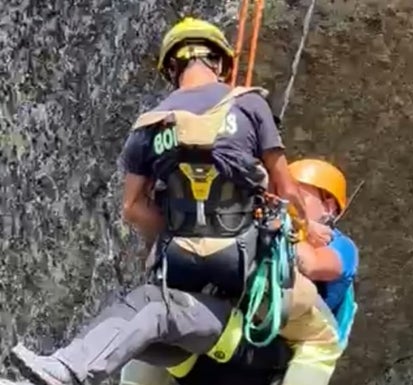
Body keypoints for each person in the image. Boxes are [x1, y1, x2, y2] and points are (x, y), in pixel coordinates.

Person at [10, 18, 338, 385]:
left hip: (182, 266)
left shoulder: (147, 126)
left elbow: (132, 207)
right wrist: (306, 229)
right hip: (244, 270)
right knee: (323, 338)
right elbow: (285, 188)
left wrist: (179, 234)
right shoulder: (249, 104)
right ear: (218, 62)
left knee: (152, 318)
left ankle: (75, 369)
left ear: (171, 67)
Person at [119, 159, 359, 385]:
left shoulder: (339, 245)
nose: (285, 197)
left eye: (298, 192)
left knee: (322, 344)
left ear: (329, 205)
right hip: (217, 349)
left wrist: (290, 226)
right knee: (159, 319)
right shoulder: (260, 222)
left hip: (267, 357)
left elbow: (314, 265)